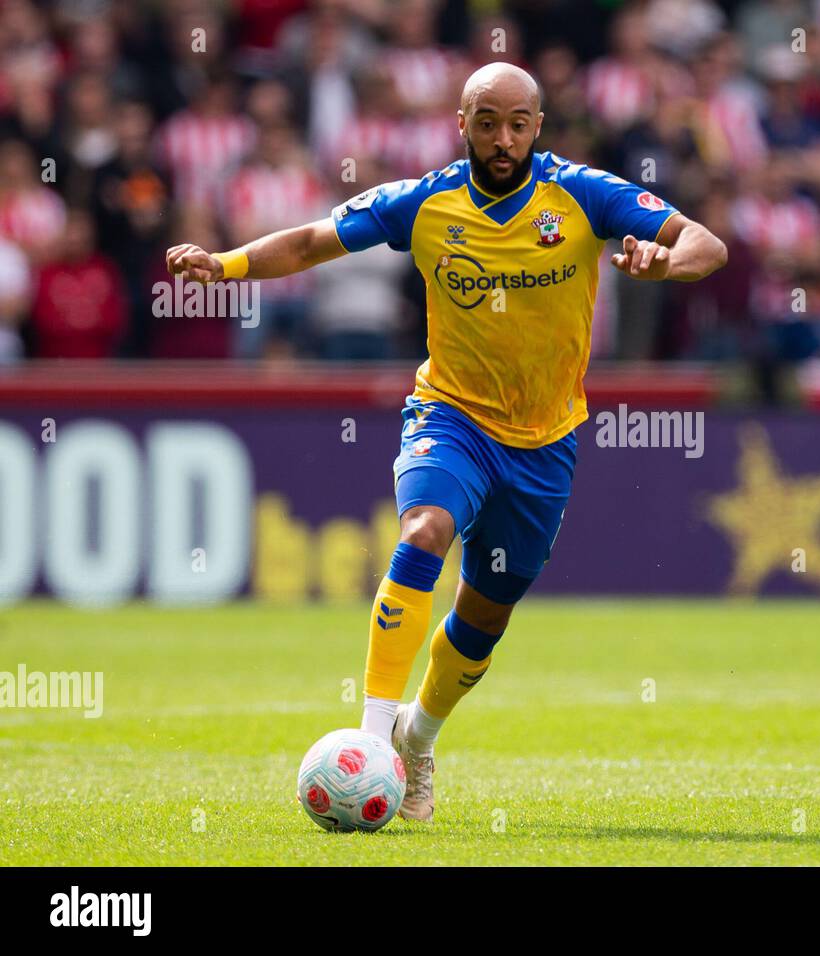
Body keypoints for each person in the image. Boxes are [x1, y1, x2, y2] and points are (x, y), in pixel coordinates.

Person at [166, 62, 728, 819]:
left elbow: (706, 243)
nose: (503, 139)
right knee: (425, 529)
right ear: (460, 124)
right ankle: (369, 741)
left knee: (485, 614)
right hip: (452, 416)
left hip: (545, 439)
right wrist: (224, 264)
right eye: (487, 122)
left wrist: (667, 262)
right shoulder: (424, 202)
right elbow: (307, 242)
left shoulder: (584, 194)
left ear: (538, 126)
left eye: (518, 123)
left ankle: (417, 739)